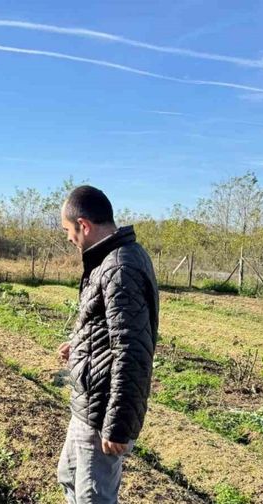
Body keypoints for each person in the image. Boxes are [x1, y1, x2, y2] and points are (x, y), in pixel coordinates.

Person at [56, 186, 159, 503]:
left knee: (93, 497)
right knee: (68, 476)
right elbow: (109, 329)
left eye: (68, 230)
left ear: (84, 225)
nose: (69, 238)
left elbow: (132, 351)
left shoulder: (120, 267)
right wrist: (80, 345)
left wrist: (117, 426)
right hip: (89, 401)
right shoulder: (111, 260)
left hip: (102, 412)